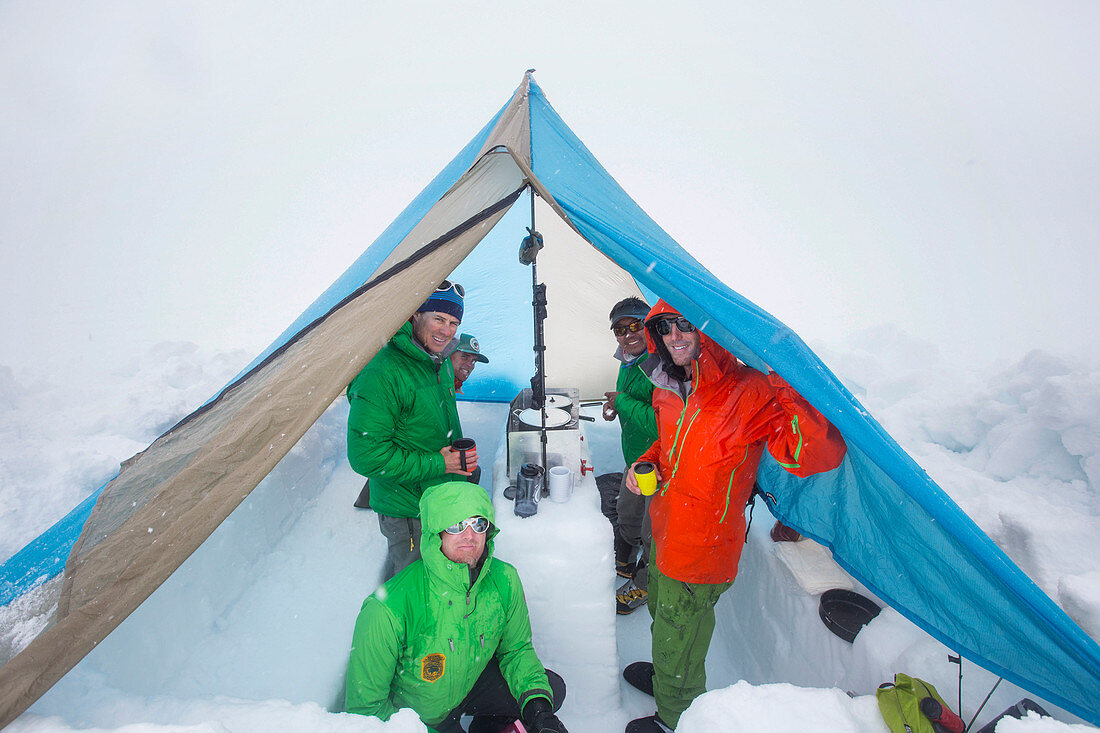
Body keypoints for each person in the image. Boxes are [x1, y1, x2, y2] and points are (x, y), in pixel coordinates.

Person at [621, 300, 847, 733]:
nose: (675, 337)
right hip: (666, 531)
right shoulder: (667, 386)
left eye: (685, 325)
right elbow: (669, 450)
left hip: (703, 550)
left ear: (707, 330)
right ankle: (667, 678)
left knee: (682, 636)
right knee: (665, 620)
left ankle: (676, 717)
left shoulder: (751, 390)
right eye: (665, 328)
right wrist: (642, 466)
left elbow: (814, 454)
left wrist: (784, 378)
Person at [346, 480, 569, 733]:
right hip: (421, 718)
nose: (469, 536)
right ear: (435, 533)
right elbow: (366, 712)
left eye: (478, 523)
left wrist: (538, 710)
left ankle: (489, 726)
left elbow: (516, 651)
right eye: (455, 525)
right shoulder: (386, 609)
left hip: (470, 682)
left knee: (550, 690)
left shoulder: (505, 579)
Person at [346, 280, 479, 580]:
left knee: (440, 578)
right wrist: (439, 462)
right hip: (406, 509)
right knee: (414, 585)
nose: (447, 331)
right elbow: (366, 456)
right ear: (414, 315)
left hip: (438, 496)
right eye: (439, 319)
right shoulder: (381, 372)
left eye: (454, 322)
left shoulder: (438, 360)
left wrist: (455, 459)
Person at [600, 297, 658, 615]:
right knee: (627, 511)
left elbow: (661, 422)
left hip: (659, 467)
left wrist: (622, 403)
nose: (629, 333)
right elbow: (628, 397)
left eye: (636, 325)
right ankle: (625, 555)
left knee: (654, 531)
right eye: (621, 329)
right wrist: (616, 405)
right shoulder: (628, 360)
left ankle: (645, 581)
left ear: (648, 325)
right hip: (634, 458)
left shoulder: (662, 365)